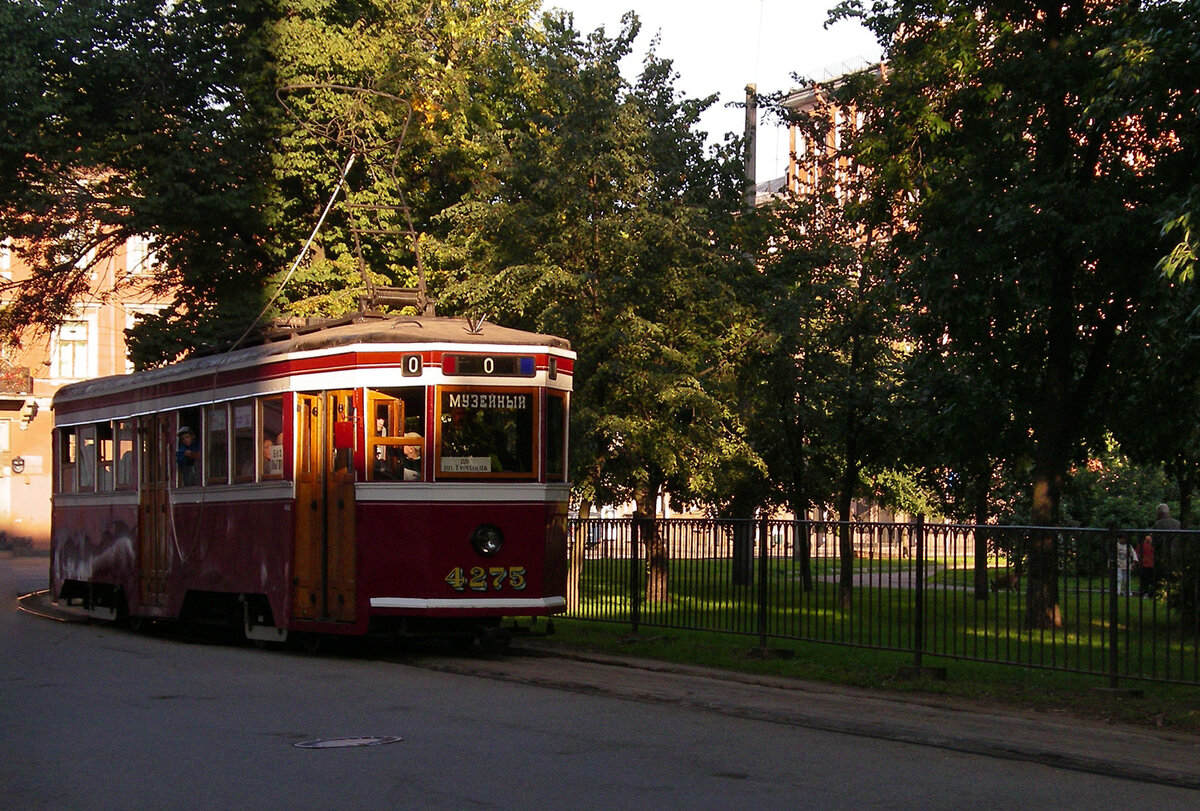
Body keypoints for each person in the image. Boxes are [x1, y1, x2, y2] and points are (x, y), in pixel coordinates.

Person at [1138, 533, 1156, 598]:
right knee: (1146, 579)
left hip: (1147, 564)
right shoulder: (1145, 546)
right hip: (1146, 564)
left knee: (1146, 579)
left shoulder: (1143, 545)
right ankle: (1145, 592)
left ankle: (1145, 592)